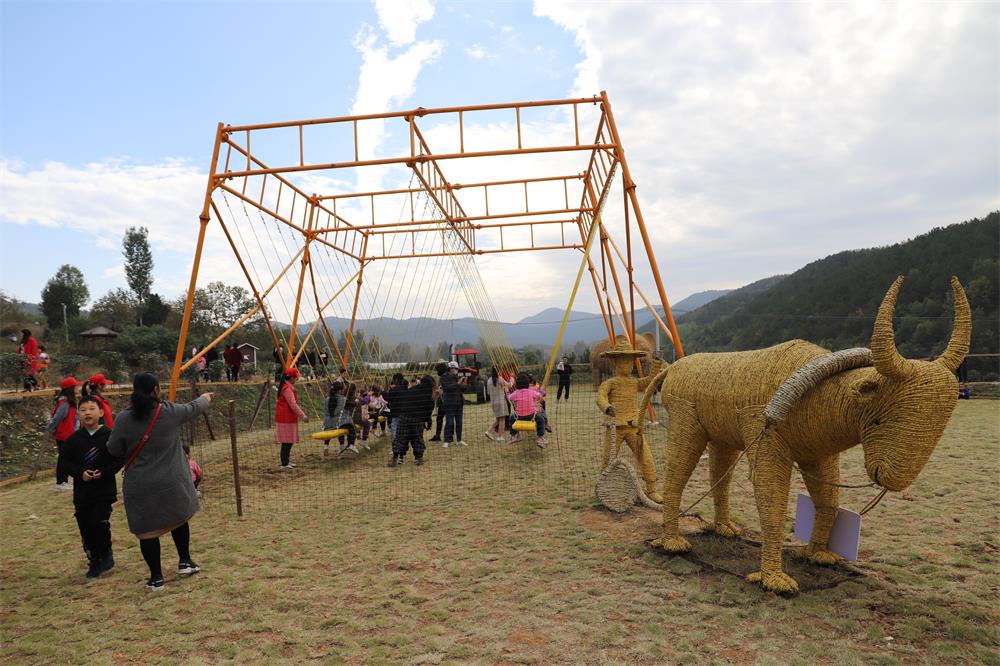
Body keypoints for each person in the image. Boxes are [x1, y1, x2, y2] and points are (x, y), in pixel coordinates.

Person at [106, 373, 212, 591]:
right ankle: (185, 562)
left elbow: (113, 449)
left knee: (147, 532)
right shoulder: (169, 412)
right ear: (156, 390)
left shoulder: (123, 419)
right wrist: (207, 397)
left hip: (140, 483)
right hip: (172, 480)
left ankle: (156, 578)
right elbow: (195, 407)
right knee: (179, 519)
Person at [62, 395, 121, 578]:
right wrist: (80, 474)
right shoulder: (73, 440)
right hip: (82, 492)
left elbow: (118, 459)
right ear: (79, 414)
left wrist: (104, 472)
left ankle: (106, 554)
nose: (87, 412)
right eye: (83, 409)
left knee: (99, 522)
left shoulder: (110, 436)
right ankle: (94, 560)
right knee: (85, 526)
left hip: (104, 491)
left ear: (101, 412)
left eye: (92, 409)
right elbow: (64, 462)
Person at [389, 375, 435, 467]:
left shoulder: (411, 390)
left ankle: (394, 458)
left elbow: (403, 403)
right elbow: (429, 409)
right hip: (417, 420)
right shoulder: (428, 394)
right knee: (417, 439)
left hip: (404, 417)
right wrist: (427, 421)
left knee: (399, 438)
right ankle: (419, 459)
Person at [48, 376, 81, 490]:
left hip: (69, 435)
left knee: (66, 458)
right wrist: (51, 430)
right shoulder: (65, 403)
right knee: (63, 458)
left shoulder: (71, 402)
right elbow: (56, 419)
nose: (78, 387)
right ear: (70, 389)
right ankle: (60, 482)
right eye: (75, 386)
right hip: (63, 435)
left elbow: (75, 419)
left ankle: (63, 481)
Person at [274, 367, 308, 469]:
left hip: (287, 417)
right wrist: (303, 416)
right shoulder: (287, 388)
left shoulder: (285, 386)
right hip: (285, 418)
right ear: (291, 378)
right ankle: (284, 463)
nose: (296, 380)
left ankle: (286, 461)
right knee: (287, 441)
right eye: (295, 378)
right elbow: (293, 404)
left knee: (288, 440)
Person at [506, 373, 547, 448]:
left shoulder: (515, 393)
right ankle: (540, 438)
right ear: (528, 383)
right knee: (541, 419)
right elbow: (540, 396)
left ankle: (513, 435)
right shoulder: (531, 392)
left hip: (519, 417)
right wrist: (541, 393)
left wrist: (507, 392)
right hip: (531, 416)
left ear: (517, 384)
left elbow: (509, 397)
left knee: (511, 418)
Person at [439, 361, 467, 448]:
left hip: (459, 403)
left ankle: (459, 440)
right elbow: (447, 388)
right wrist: (458, 383)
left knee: (459, 422)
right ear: (449, 368)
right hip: (449, 404)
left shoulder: (458, 377)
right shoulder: (443, 377)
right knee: (449, 422)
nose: (455, 370)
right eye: (454, 368)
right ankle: (447, 441)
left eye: (456, 368)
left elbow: (463, 389)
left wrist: (464, 384)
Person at [484, 367, 511, 443]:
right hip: (501, 402)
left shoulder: (489, 380)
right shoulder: (500, 379)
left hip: (493, 402)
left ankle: (489, 432)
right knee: (502, 419)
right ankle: (500, 436)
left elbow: (488, 392)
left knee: (498, 419)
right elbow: (509, 385)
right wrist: (512, 380)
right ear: (498, 371)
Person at [428, 362, 448, 442]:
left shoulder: (443, 377)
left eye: (437, 370)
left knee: (445, 418)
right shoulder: (444, 376)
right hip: (443, 401)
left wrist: (435, 394)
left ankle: (447, 435)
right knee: (440, 418)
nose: (437, 372)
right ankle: (438, 435)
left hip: (445, 401)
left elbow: (440, 390)